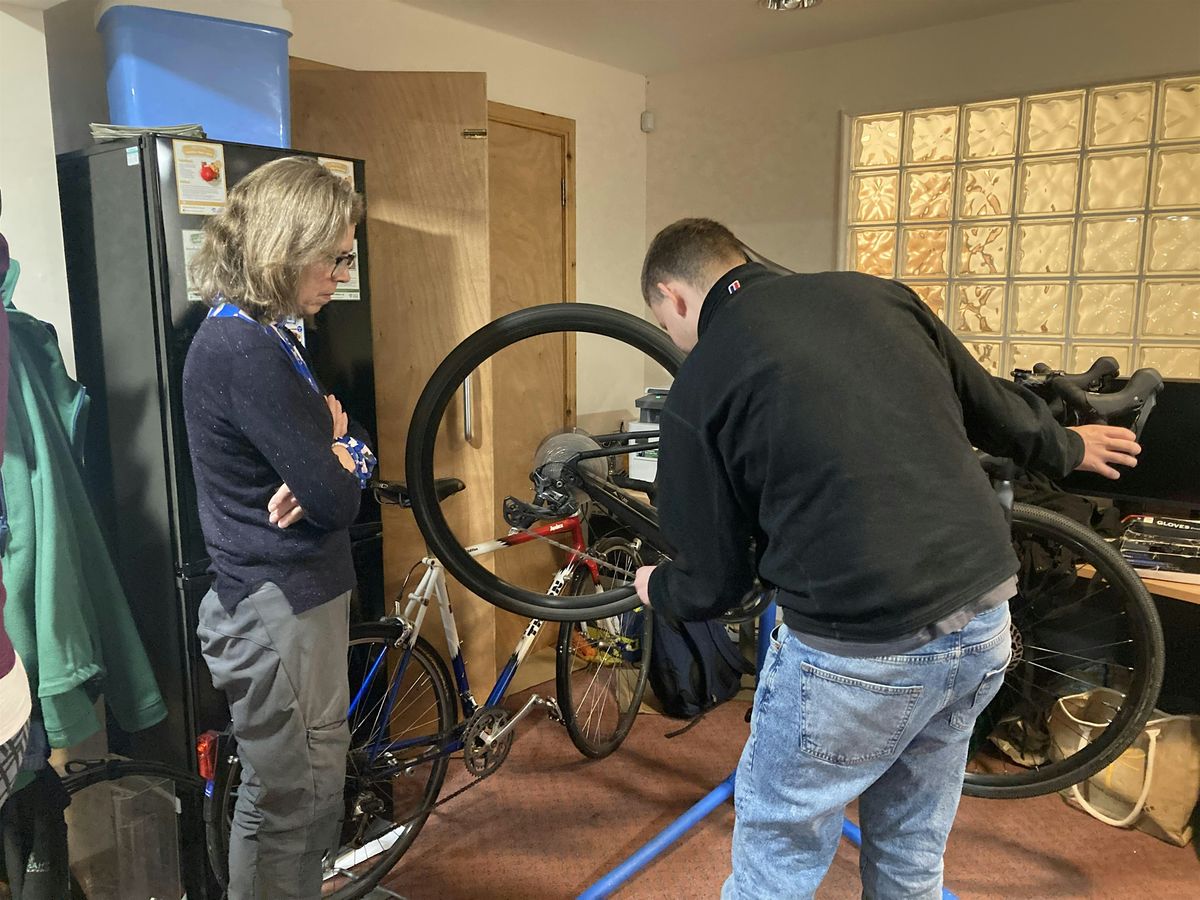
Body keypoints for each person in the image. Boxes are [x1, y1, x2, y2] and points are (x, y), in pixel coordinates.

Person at [631, 219, 1141, 899]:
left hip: (860, 651)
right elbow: (993, 404)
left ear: (676, 297)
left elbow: (712, 583)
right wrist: (1067, 448)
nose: (677, 340)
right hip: (986, 616)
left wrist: (656, 588)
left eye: (666, 325)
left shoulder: (698, 386)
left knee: (777, 856)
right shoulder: (878, 296)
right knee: (908, 849)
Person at [183, 157, 375, 899]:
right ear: (284, 246)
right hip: (275, 605)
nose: (340, 274)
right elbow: (335, 496)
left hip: (297, 599)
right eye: (334, 257)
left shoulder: (269, 334)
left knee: (317, 776)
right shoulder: (243, 348)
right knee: (287, 796)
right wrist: (332, 453)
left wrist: (335, 444)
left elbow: (345, 451)